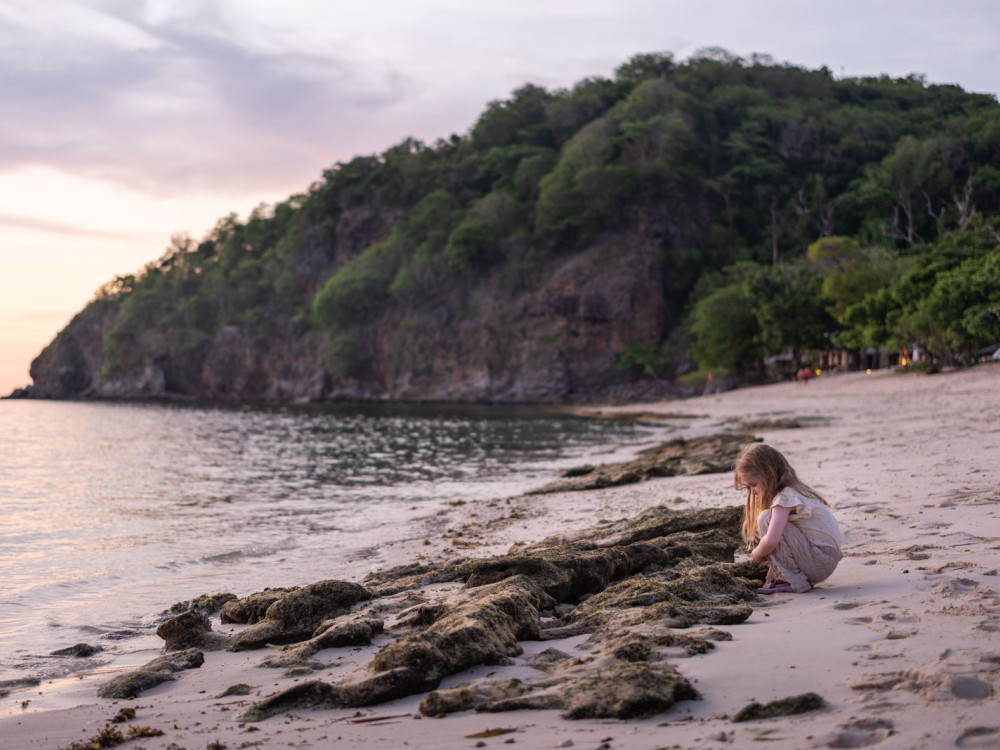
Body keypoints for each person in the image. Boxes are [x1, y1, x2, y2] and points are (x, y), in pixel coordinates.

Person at [733, 443, 842, 594]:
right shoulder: (796, 492)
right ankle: (787, 578)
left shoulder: (784, 498)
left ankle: (795, 582)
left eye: (754, 485)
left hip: (819, 560)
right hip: (824, 559)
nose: (752, 492)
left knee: (765, 518)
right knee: (770, 521)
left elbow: (771, 540)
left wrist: (758, 552)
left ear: (769, 475)